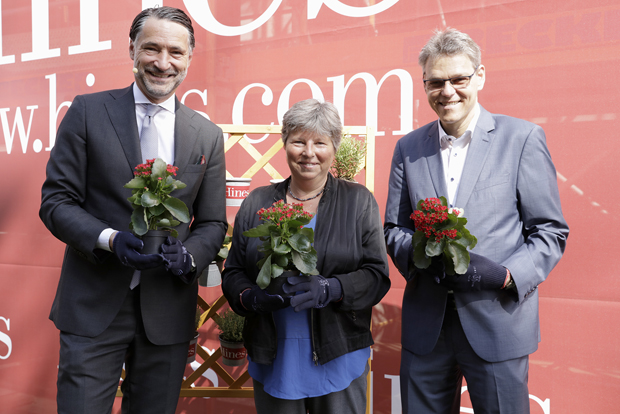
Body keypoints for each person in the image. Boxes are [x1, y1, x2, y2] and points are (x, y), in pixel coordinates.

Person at [39, 6, 227, 414]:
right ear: (132, 50)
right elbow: (56, 202)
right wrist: (109, 240)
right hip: (93, 306)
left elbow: (212, 222)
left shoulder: (207, 135)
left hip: (168, 310)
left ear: (189, 58)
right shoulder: (87, 112)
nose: (163, 63)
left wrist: (191, 253)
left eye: (175, 52)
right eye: (152, 49)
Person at [384, 28, 569, 414]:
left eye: (458, 79)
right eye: (435, 82)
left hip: (498, 324)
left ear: (480, 76)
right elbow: (395, 230)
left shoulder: (521, 138)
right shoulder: (408, 148)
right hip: (426, 329)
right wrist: (423, 259)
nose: (447, 91)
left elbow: (550, 232)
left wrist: (502, 275)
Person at [222, 98, 390, 414]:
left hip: (338, 352)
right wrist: (251, 298)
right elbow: (232, 272)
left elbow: (376, 276)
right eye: (298, 141)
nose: (308, 152)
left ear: (334, 147)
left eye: (320, 143)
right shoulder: (258, 201)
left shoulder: (358, 202)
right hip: (276, 353)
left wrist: (330, 289)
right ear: (285, 144)